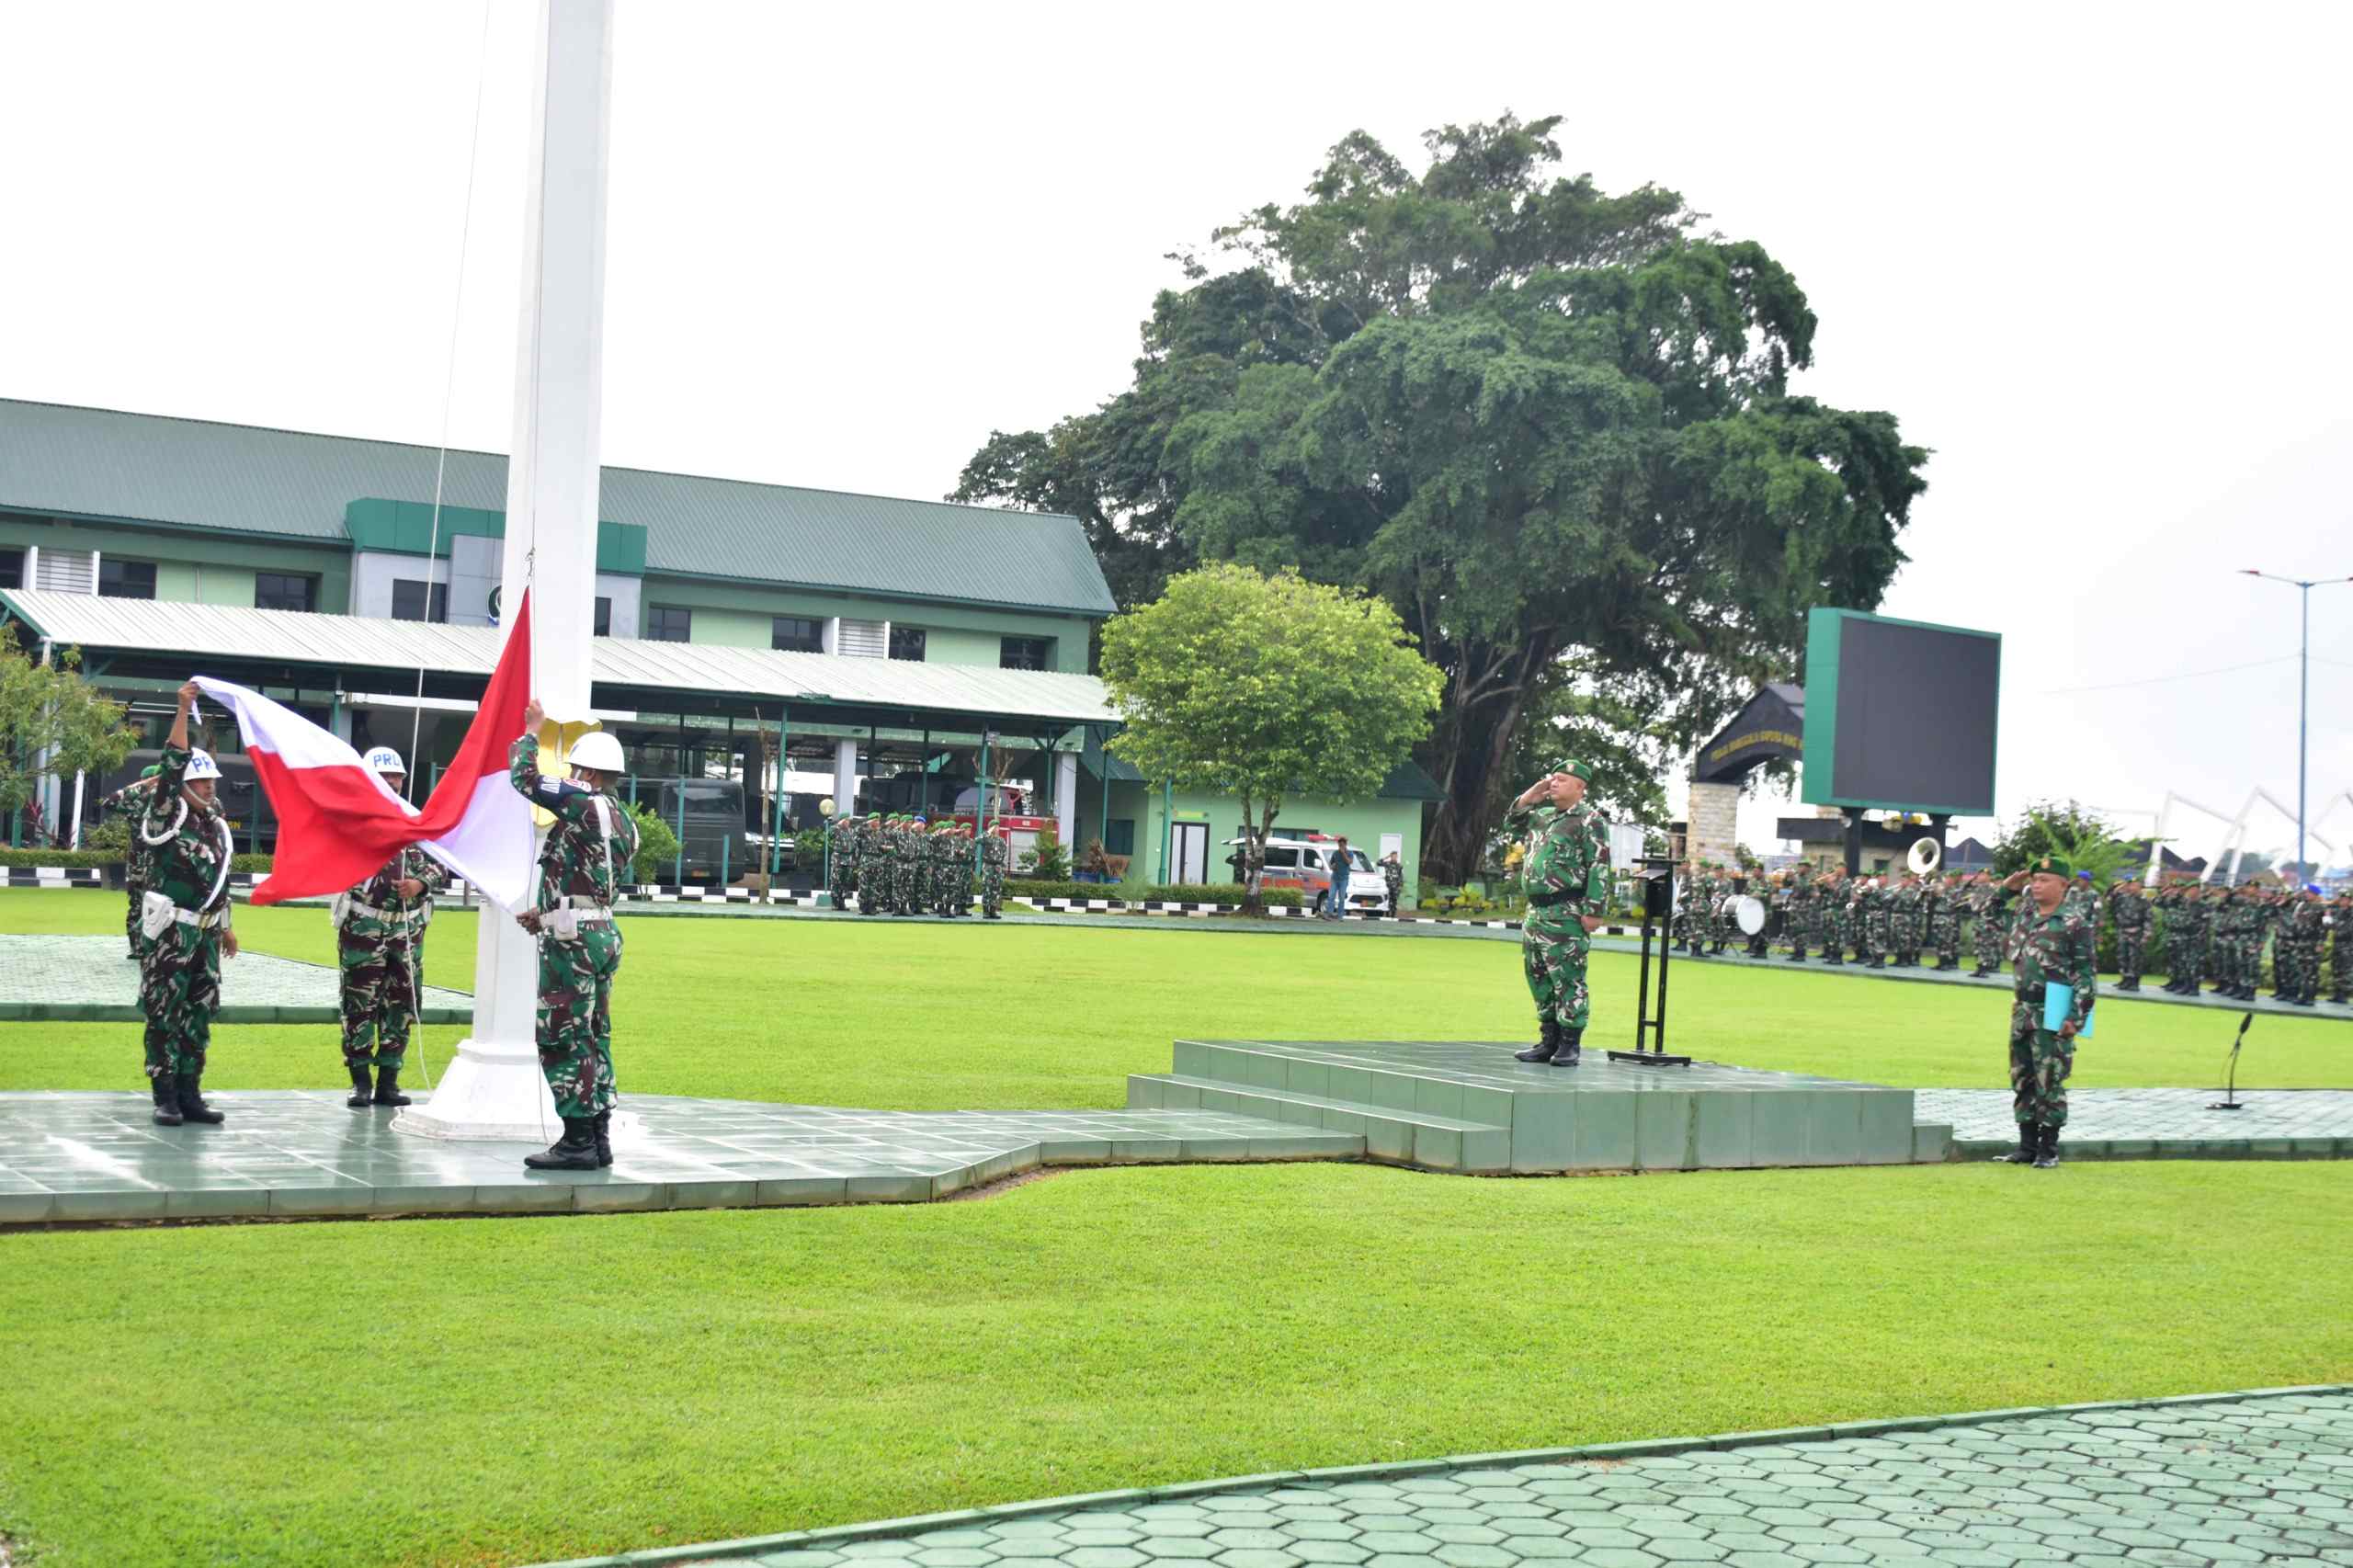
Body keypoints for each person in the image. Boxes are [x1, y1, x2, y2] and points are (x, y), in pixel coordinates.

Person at [510, 701, 639, 1172]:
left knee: (562, 1035)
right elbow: (582, 881)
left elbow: (524, 779)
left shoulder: (585, 802)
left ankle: (578, 1140)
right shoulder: (622, 818)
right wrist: (544, 915)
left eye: (576, 768)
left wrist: (530, 732)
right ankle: (597, 1136)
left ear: (589, 772)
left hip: (576, 942)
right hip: (598, 930)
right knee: (593, 1033)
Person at [139, 682, 241, 1126]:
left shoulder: (215, 826)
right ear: (181, 785)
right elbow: (172, 759)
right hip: (172, 934)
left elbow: (218, 881)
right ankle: (164, 1096)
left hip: (206, 932)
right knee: (165, 1012)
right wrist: (183, 709)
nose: (207, 787)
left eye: (211, 781)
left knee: (200, 1012)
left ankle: (190, 1092)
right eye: (199, 780)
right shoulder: (167, 814)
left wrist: (227, 925)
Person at [336, 746, 447, 1109]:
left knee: (402, 1004)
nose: (393, 783)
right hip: (364, 925)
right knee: (360, 1004)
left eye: (397, 776)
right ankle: (360, 1081)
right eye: (385, 777)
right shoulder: (351, 821)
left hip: (407, 930)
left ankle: (389, 1081)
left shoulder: (416, 819)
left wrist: (421, 884)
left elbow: (441, 862)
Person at [1988, 853, 2095, 1169]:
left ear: (2063, 885)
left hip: (2054, 1007)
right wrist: (2006, 890)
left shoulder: (2074, 922)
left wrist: (2076, 1017)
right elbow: (1985, 913)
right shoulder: (2024, 914)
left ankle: (2049, 1149)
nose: (2036, 885)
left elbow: (2085, 973)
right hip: (2022, 1007)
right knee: (2022, 1076)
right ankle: (2026, 1146)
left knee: (2050, 1078)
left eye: (2044, 880)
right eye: (2034, 879)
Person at [1506, 760, 1610, 1066]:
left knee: (1567, 976)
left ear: (1580, 787)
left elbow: (1599, 866)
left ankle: (1570, 1043)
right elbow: (1511, 823)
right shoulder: (1542, 817)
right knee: (1537, 975)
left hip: (1566, 911)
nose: (1554, 784)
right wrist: (1531, 795)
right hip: (1536, 913)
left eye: (1562, 780)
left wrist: (1594, 910)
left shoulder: (1589, 820)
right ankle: (1548, 1040)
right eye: (1553, 779)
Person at [100, 763, 165, 960]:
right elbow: (108, 803)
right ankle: (147, 948)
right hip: (150, 865)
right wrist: (144, 785)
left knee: (141, 906)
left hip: (146, 864)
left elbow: (109, 802)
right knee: (149, 906)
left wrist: (139, 785)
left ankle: (139, 947)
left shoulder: (139, 800)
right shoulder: (144, 801)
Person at [2109, 875, 2150, 992]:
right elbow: (2111, 899)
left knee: (2135, 958)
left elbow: (2148, 918)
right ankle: (2125, 979)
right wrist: (2123, 885)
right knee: (2123, 957)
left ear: (2140, 887)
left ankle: (2134, 982)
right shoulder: (2123, 897)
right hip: (2123, 931)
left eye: (2135, 885)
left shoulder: (2144, 901)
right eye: (2131, 885)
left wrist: (2146, 934)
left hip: (2136, 932)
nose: (2132, 887)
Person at [979, 821, 1009, 919]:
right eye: (995, 827)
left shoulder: (1001, 840)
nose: (997, 829)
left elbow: (1004, 853)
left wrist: (1000, 865)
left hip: (998, 867)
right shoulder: (987, 839)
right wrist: (988, 832)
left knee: (996, 889)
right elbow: (978, 840)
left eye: (998, 827)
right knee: (987, 888)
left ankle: (993, 910)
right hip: (988, 866)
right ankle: (985, 911)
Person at [1324, 836, 1353, 919]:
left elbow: (1349, 862)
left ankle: (1340, 916)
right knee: (1331, 896)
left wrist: (1343, 853)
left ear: (1345, 845)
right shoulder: (1335, 853)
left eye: (1342, 845)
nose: (1341, 846)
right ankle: (1329, 914)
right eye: (1339, 845)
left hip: (1344, 878)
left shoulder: (1350, 853)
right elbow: (1330, 864)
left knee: (1342, 897)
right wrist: (1332, 866)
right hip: (1335, 878)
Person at [1380, 850, 1404, 917]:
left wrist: (1401, 885)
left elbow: (1400, 876)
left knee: (1394, 900)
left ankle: (1393, 914)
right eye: (1393, 856)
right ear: (1391, 857)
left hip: (1396, 886)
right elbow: (1378, 863)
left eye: (1396, 856)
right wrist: (1387, 857)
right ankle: (1387, 914)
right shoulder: (1387, 864)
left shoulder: (1399, 866)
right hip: (1388, 885)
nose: (1394, 858)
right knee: (1388, 900)